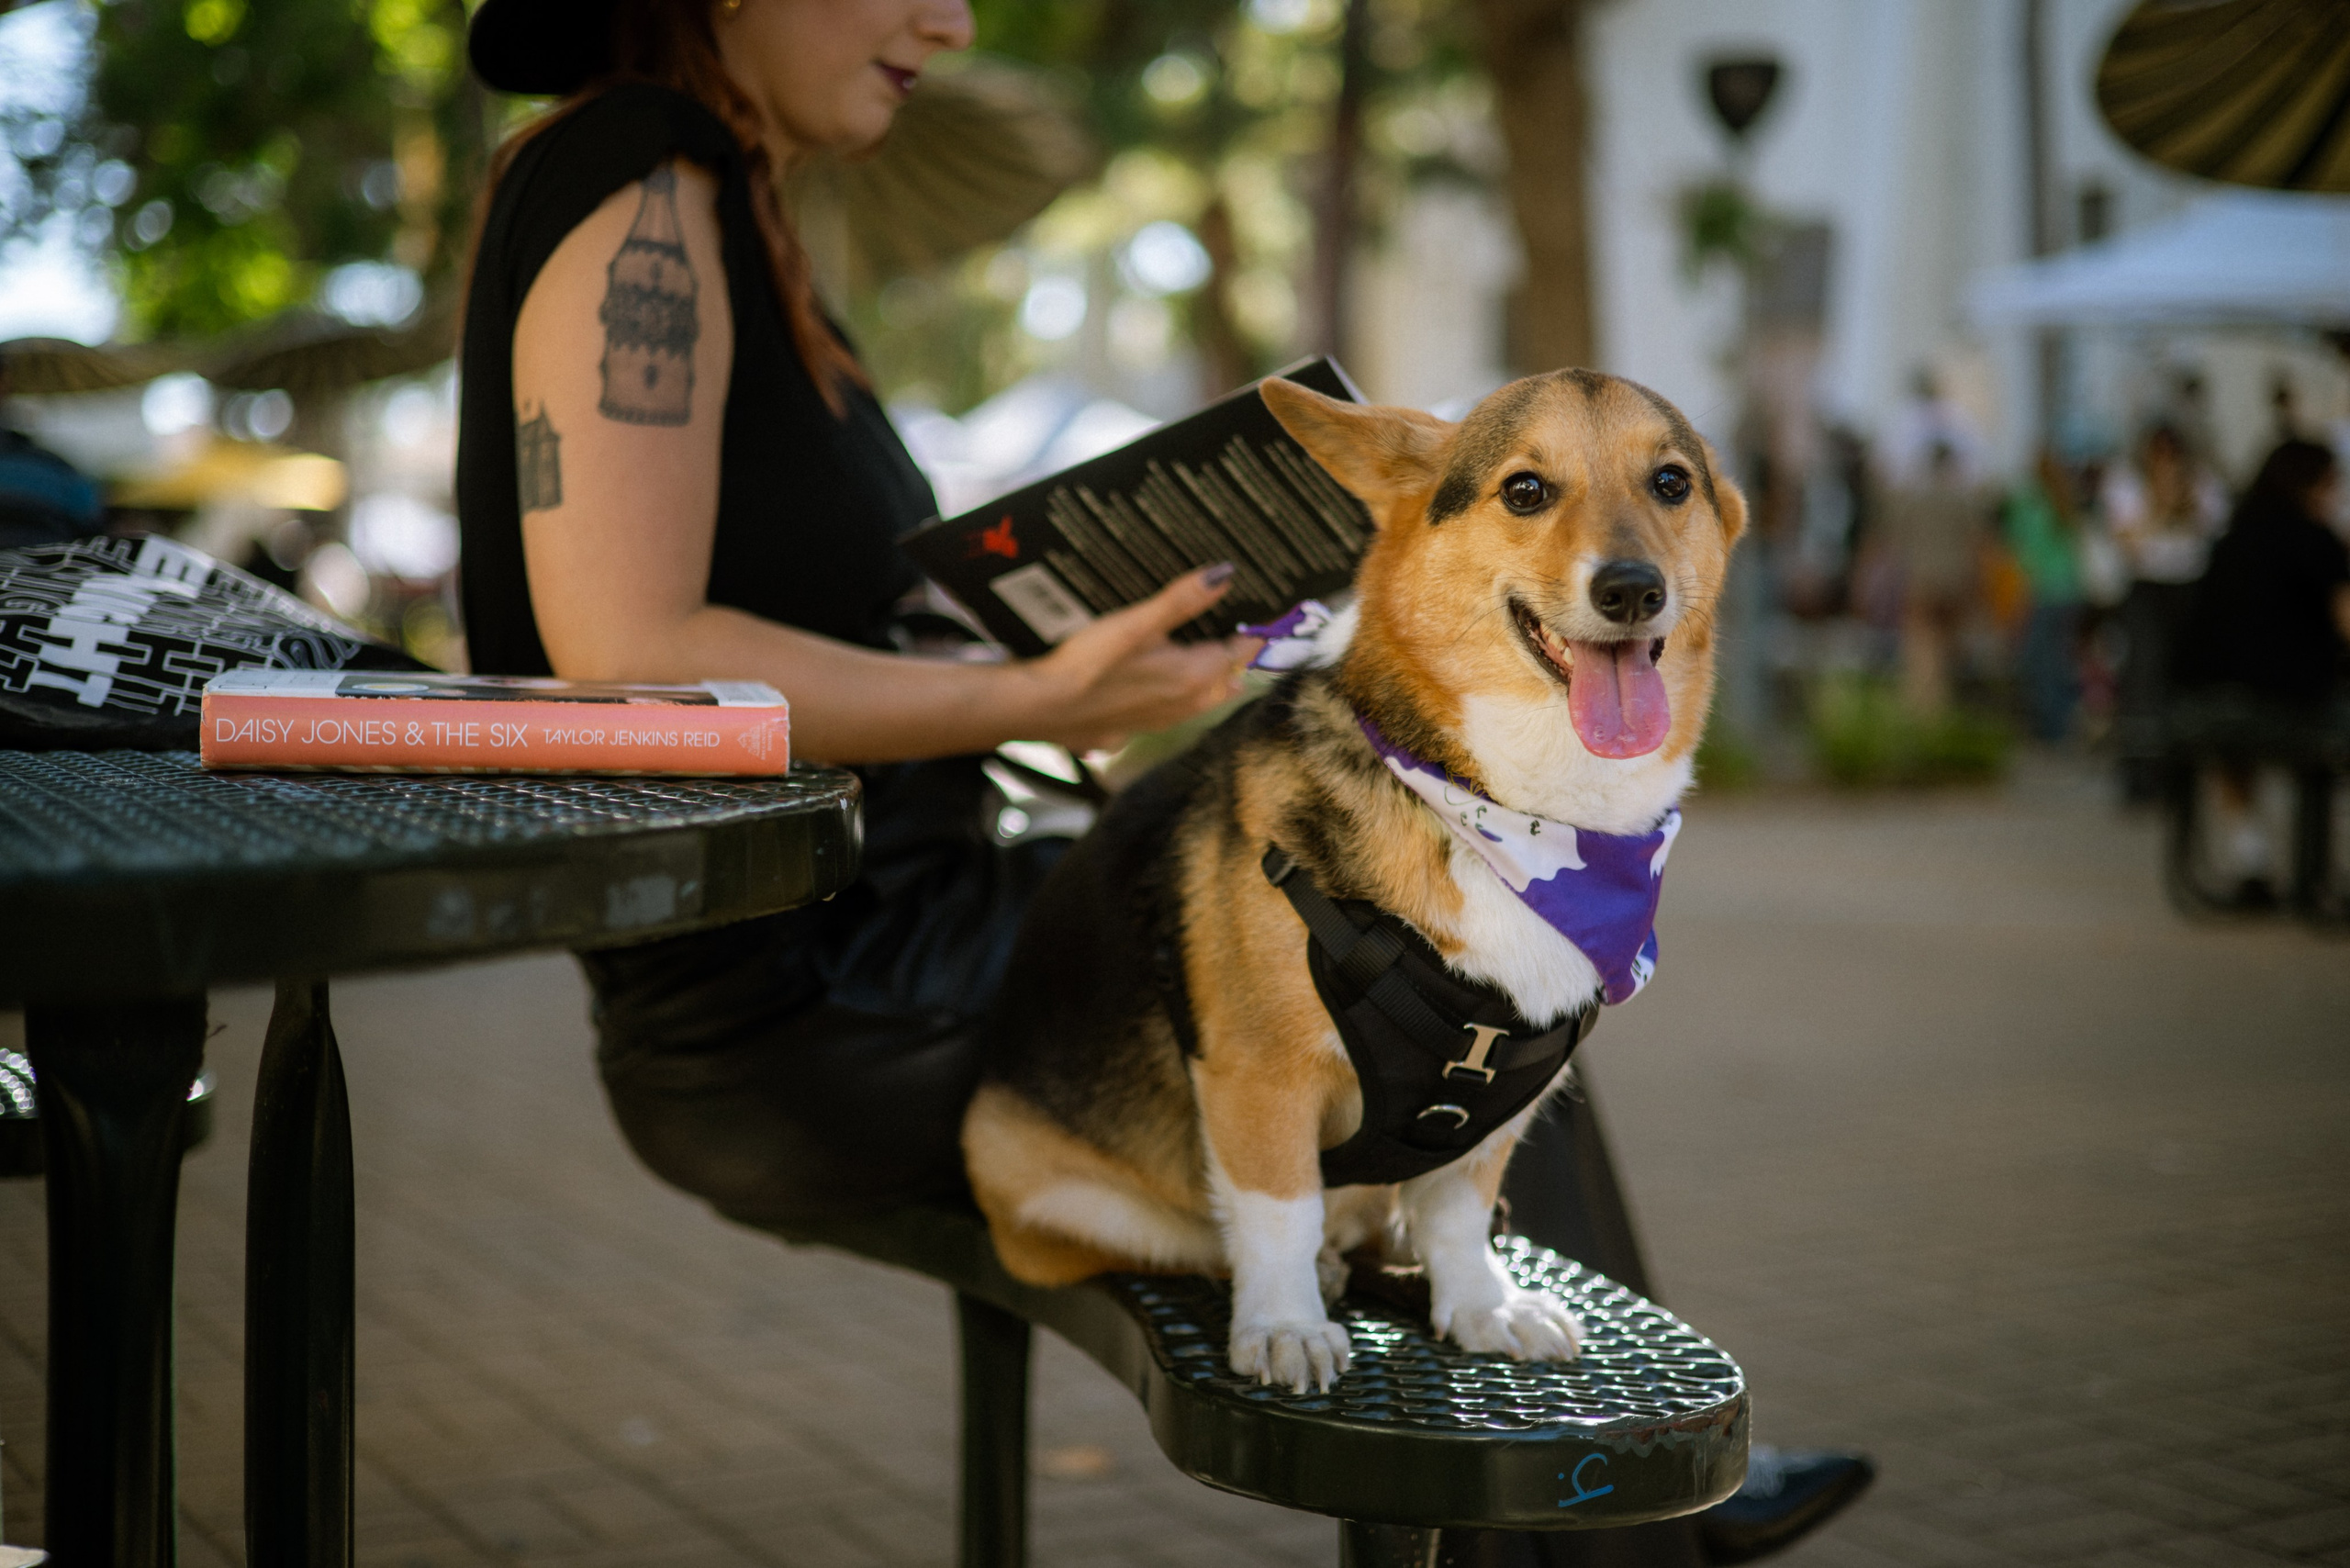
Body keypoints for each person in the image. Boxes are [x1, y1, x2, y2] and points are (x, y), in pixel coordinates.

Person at [454, 5, 1866, 1562]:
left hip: (882, 912)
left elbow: (781, 625)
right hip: (818, 984)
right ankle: (1616, 1518)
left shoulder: (720, 201)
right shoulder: (642, 178)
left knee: (1479, 969)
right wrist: (1035, 691)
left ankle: (1599, 1500)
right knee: (1434, 983)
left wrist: (1057, 649)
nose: (955, 18)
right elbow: (625, 655)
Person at [2173, 441, 2350, 898]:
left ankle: (2252, 856)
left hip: (2204, 708)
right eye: (2333, 483)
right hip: (2292, 710)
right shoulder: (2316, 540)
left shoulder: (2230, 540)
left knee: (2235, 743)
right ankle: (2325, 864)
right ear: (2312, 485)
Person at [2100, 423, 2227, 796]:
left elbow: (2213, 531)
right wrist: (2160, 502)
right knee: (2142, 675)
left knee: (2186, 677)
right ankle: (2141, 771)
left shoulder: (2203, 483)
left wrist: (2184, 499)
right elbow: (2128, 540)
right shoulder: (2127, 484)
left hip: (2190, 586)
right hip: (2147, 587)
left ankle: (2183, 770)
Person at [2003, 452, 2085, 743]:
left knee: (2038, 660)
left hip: (2044, 592)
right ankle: (2065, 719)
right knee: (2061, 658)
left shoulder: (2029, 504)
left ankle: (2052, 726)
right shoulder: (2061, 501)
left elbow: (2024, 557)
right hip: (2071, 591)